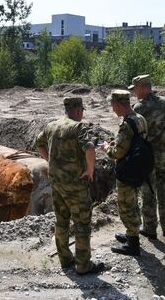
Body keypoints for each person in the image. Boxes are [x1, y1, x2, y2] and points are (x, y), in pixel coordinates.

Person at [36, 97, 105, 275]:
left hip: (57, 181)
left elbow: (39, 143)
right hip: (75, 184)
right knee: (82, 223)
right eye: (82, 110)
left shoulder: (52, 125)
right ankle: (83, 265)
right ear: (79, 110)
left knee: (62, 220)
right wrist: (90, 170)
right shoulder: (78, 127)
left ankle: (65, 260)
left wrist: (49, 160)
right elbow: (89, 149)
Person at [129, 74, 165, 240]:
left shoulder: (139, 108)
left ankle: (150, 228)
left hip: (148, 156)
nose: (134, 92)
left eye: (135, 89)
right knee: (164, 189)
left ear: (143, 87)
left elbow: (134, 134)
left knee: (148, 191)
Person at [101, 90, 147, 256]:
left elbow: (117, 153)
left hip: (128, 170)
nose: (112, 109)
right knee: (134, 201)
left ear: (119, 105)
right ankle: (131, 233)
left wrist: (107, 147)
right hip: (138, 168)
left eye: (113, 105)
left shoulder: (126, 124)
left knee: (126, 206)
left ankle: (132, 244)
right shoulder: (139, 118)